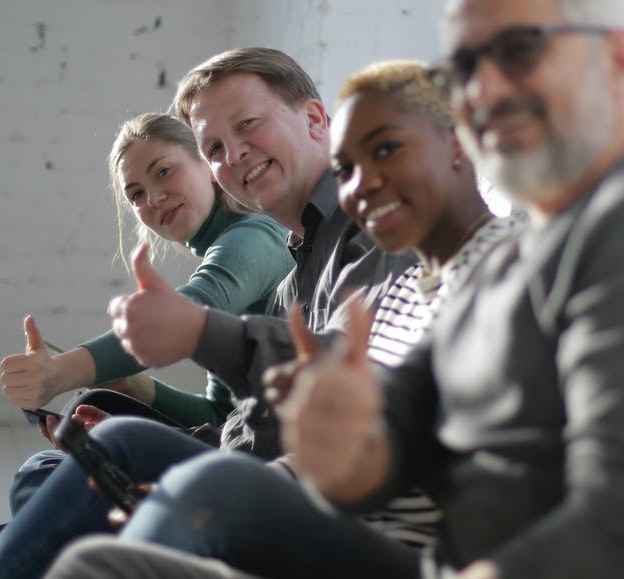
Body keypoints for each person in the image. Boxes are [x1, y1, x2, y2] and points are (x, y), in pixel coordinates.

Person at [45, 0, 624, 578]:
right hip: (411, 550)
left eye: (520, 50)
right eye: (469, 61)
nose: (486, 89)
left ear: (614, 54)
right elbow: (398, 420)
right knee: (106, 555)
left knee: (193, 498)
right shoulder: (507, 257)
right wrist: (342, 443)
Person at [37, 59, 525, 579]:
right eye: (350, 165)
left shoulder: (502, 267)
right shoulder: (400, 286)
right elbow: (310, 425)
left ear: (459, 147)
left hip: (418, 551)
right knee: (101, 530)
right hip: (339, 508)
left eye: (386, 151)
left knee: (150, 475)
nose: (357, 186)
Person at [0, 48, 415, 579]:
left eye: (247, 124)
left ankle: (16, 551)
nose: (235, 154)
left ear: (316, 119)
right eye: (216, 146)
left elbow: (205, 310)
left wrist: (65, 373)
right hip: (262, 471)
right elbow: (241, 417)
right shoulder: (297, 271)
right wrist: (142, 400)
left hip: (320, 502)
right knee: (73, 462)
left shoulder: (356, 229)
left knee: (107, 450)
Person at [3, 112, 294, 514]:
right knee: (77, 431)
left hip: (265, 463)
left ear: (208, 167)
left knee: (44, 473)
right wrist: (140, 390)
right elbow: (222, 414)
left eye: (164, 172)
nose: (152, 198)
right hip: (240, 440)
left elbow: (178, 313)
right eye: (136, 194)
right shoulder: (231, 242)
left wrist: (62, 372)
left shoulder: (253, 238)